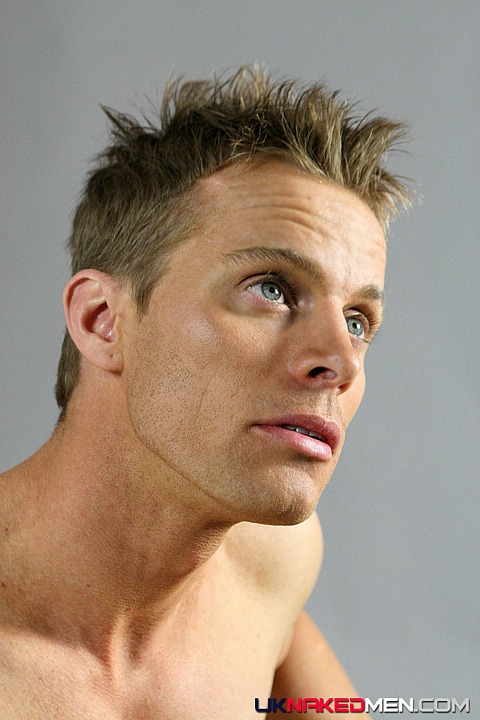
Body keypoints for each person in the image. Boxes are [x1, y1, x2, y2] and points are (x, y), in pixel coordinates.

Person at [0, 67, 410, 718]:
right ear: (102, 321)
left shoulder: (267, 568)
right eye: (272, 289)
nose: (341, 362)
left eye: (358, 321)